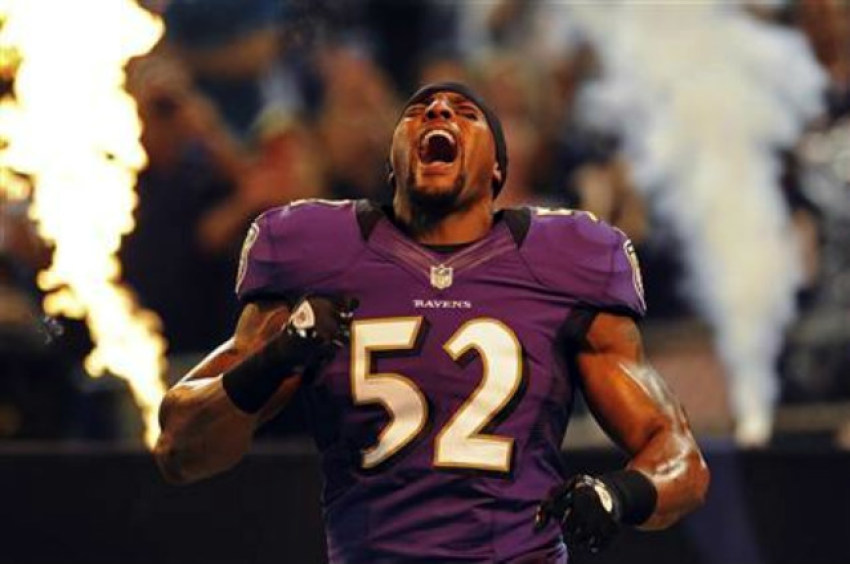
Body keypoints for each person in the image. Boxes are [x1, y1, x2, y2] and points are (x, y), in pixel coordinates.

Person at [154, 81, 709, 563]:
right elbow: (181, 448)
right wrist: (275, 359)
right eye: (419, 111)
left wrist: (619, 495)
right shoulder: (315, 253)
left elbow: (679, 455)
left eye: (465, 113)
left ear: (498, 169)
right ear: (392, 158)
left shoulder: (568, 259)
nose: (439, 112)